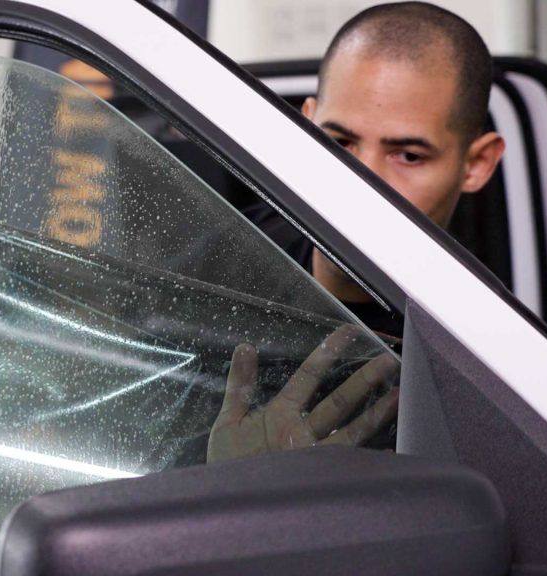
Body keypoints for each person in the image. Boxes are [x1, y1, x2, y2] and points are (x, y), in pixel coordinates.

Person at [207, 1, 506, 461]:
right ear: (306, 126)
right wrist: (224, 486)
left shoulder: (495, 354)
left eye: (408, 155)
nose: (359, 184)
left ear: (476, 163)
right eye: (339, 142)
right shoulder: (209, 272)